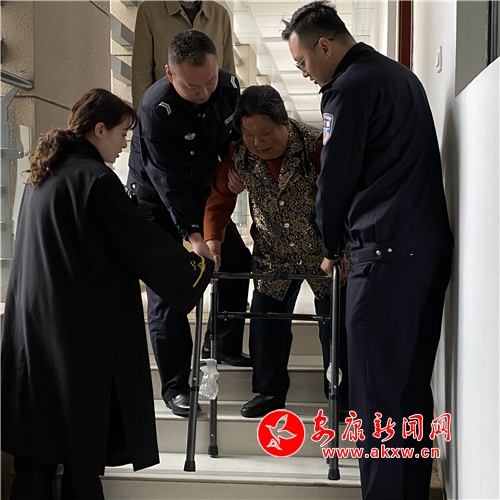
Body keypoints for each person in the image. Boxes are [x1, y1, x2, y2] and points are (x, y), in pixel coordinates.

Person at [1, 88, 214, 500]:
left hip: (33, 331)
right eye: (121, 134)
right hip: (74, 335)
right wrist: (197, 268)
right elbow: (140, 242)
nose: (123, 145)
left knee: (36, 454)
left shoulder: (44, 174)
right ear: (99, 129)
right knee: (81, 452)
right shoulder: (95, 179)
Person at [282, 2, 453, 499]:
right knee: (411, 392)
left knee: (375, 400)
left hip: (383, 256)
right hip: (427, 252)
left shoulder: (348, 90)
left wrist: (327, 243)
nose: (305, 73)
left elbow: (334, 179)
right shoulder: (402, 77)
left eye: (303, 62)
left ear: (325, 46)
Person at [204, 84, 350, 418]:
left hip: (325, 253)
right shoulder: (239, 154)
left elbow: (344, 198)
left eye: (265, 133)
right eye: (249, 135)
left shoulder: (317, 145)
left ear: (284, 121)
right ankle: (269, 392)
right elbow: (219, 198)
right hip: (274, 252)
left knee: (335, 326)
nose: (258, 143)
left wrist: (340, 247)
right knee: (265, 322)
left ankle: (341, 396)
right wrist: (213, 242)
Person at [127, 29, 252, 418]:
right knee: (170, 288)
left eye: (209, 81)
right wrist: (195, 238)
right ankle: (176, 387)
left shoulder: (229, 87)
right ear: (170, 73)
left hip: (202, 191)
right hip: (156, 201)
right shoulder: (156, 109)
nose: (203, 92)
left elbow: (237, 140)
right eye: (192, 86)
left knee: (237, 261)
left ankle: (223, 345)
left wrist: (235, 169)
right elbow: (168, 183)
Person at [132, 1, 235, 109]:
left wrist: (232, 112)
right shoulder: (149, 11)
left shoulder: (219, 14)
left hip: (212, 109)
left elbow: (228, 69)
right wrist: (141, 113)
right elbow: (141, 71)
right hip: (167, 108)